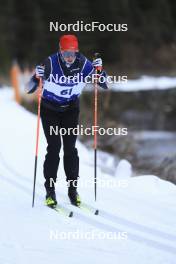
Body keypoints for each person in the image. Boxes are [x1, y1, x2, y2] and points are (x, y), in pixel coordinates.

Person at [27, 34, 108, 207]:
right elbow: (29, 88)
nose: (69, 58)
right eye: (65, 54)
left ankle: (73, 190)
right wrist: (36, 76)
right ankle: (50, 191)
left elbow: (104, 83)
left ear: (77, 52)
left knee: (70, 149)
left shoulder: (84, 63)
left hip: (70, 110)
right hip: (50, 111)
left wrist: (100, 70)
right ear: (60, 51)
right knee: (54, 147)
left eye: (72, 54)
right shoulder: (49, 63)